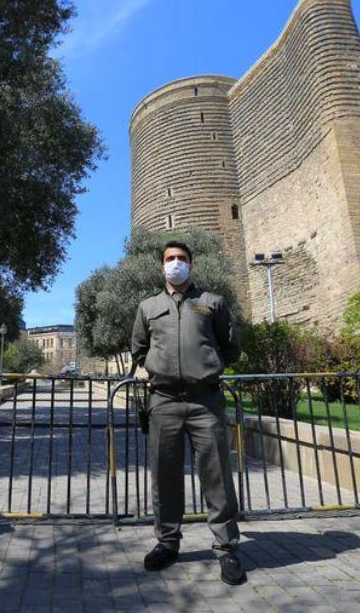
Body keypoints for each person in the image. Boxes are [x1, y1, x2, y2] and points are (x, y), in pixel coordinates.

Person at [130, 240, 245, 585]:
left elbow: (230, 347)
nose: (175, 263)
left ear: (191, 266)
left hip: (205, 401)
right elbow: (139, 349)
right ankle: (167, 543)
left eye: (181, 258)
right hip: (163, 401)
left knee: (217, 475)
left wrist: (206, 366)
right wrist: (160, 368)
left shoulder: (212, 302)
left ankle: (226, 547)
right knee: (164, 474)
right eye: (170, 258)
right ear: (161, 266)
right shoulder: (148, 307)